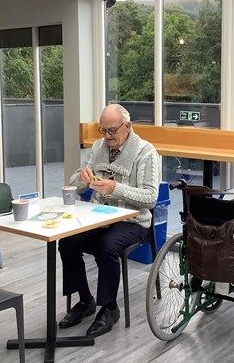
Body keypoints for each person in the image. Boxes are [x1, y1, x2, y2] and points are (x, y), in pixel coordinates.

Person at [58, 104, 161, 337]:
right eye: (103, 130)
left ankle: (109, 307)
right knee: (67, 242)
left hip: (133, 221)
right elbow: (75, 184)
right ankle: (85, 300)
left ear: (128, 127)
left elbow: (151, 198)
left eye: (112, 130)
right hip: (99, 217)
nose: (107, 136)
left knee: (106, 247)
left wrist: (116, 188)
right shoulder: (98, 147)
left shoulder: (146, 152)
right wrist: (81, 179)